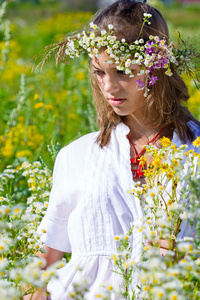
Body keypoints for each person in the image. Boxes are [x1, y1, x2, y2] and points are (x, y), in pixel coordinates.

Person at [24, 0, 200, 299]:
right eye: (99, 72)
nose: (109, 87)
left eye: (122, 71)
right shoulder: (76, 156)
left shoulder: (194, 151)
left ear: (156, 65)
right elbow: (44, 259)